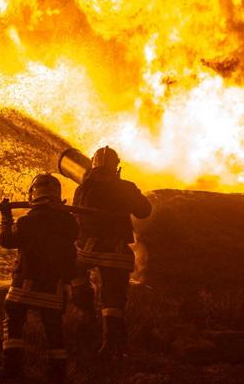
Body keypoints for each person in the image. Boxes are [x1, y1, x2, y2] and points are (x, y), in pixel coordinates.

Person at [70, 146, 151, 359]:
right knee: (113, 299)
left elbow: (77, 218)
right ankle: (112, 345)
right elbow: (144, 211)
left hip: (88, 249)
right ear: (117, 166)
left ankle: (85, 316)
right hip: (116, 252)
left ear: (93, 165)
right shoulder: (126, 187)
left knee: (74, 270)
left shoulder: (84, 188)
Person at [0, 173, 79, 383]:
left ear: (33, 195)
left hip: (22, 287)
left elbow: (6, 240)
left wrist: (5, 217)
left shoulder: (27, 221)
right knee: (54, 331)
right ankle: (57, 375)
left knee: (13, 323)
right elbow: (73, 238)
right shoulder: (69, 222)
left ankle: (12, 371)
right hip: (53, 290)